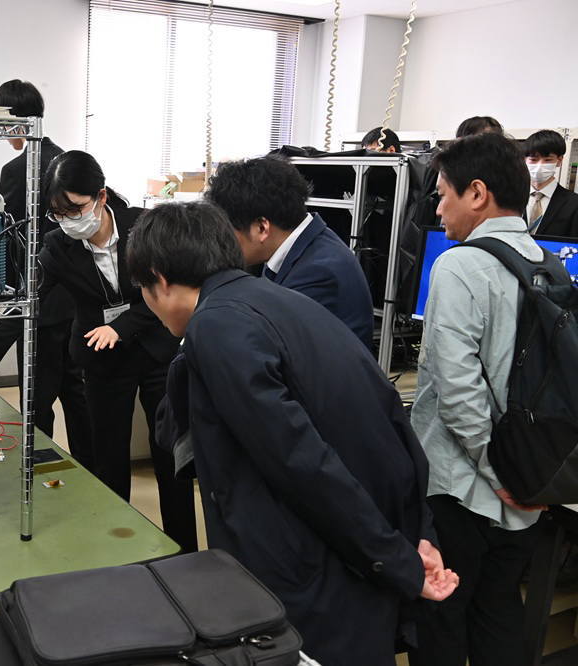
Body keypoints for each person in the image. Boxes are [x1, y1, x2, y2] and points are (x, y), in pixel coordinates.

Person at [126, 200, 458, 666]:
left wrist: (397, 559)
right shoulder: (281, 300)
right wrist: (413, 536)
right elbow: (389, 419)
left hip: (310, 576)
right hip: (362, 548)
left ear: (158, 279)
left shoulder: (217, 327)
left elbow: (300, 462)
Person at [0, 151, 197, 553]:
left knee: (171, 458)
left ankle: (185, 552)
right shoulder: (57, 247)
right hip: (103, 362)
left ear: (101, 196)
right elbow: (24, 309)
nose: (69, 220)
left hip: (156, 350)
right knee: (109, 463)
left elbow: (169, 293)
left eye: (75, 209)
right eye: (59, 213)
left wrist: (120, 327)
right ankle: (117, 549)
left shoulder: (143, 226)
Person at [408, 132, 545, 666]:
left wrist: (499, 473)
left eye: (443, 195)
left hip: (462, 486)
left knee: (443, 617)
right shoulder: (547, 262)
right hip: (526, 487)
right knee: (499, 612)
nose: (438, 209)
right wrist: (525, 478)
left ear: (478, 193)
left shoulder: (459, 265)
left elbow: (458, 390)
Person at [0, 79, 91, 450]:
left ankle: (39, 462)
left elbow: (11, 236)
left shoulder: (17, 169)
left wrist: (4, 288)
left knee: (37, 393)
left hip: (38, 295)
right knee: (75, 390)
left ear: (14, 119)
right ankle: (88, 468)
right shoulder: (70, 162)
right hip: (76, 297)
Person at [205, 156, 375, 349]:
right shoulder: (300, 247)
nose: (223, 242)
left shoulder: (319, 273)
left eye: (227, 232)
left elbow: (267, 345)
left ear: (261, 227)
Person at [523, 129, 578, 238]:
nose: (540, 165)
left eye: (547, 160)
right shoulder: (510, 198)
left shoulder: (574, 204)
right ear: (524, 160)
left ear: (559, 160)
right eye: (533, 160)